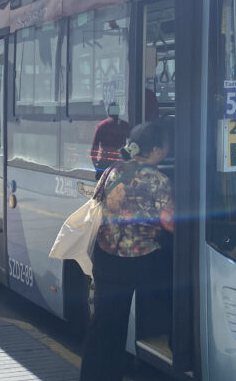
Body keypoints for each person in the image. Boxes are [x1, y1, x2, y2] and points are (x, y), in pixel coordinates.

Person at [80, 122, 174, 381]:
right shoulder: (158, 180)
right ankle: (171, 345)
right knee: (172, 294)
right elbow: (170, 223)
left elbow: (97, 202)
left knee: (106, 324)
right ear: (156, 149)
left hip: (107, 257)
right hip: (142, 260)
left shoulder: (112, 170)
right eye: (166, 144)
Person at [90, 102, 131, 179]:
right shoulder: (125, 125)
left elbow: (94, 147)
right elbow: (130, 142)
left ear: (108, 112)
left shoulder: (102, 125)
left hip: (104, 161)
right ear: (118, 112)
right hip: (119, 161)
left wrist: (96, 164)